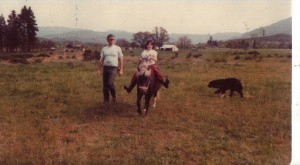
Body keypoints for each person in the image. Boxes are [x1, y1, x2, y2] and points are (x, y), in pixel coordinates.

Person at [97, 34, 124, 102]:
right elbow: (101, 60)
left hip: (114, 68)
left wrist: (121, 70)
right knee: (105, 86)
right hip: (105, 68)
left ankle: (114, 96)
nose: (112, 41)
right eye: (110, 39)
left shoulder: (118, 48)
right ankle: (106, 100)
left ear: (114, 40)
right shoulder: (104, 49)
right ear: (107, 40)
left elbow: (121, 59)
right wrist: (99, 70)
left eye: (113, 39)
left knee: (109, 83)